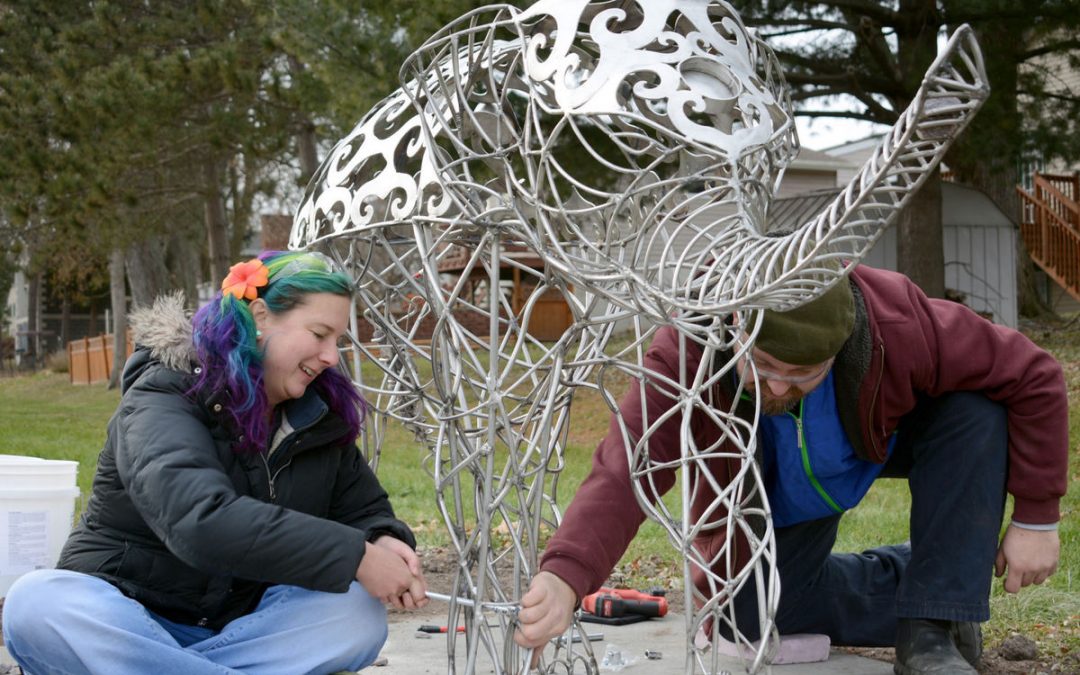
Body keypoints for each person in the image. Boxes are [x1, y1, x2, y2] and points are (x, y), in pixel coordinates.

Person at [513, 264, 1067, 674]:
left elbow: (1033, 373)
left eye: (803, 372)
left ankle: (932, 632)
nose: (779, 387)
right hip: (767, 498)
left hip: (872, 442)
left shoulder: (894, 321)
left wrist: (1037, 517)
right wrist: (566, 576)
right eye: (764, 365)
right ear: (736, 328)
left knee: (975, 411)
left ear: (840, 346)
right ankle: (921, 580)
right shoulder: (689, 349)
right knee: (756, 622)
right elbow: (628, 466)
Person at [2, 251, 428, 675]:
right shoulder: (164, 394)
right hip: (129, 615)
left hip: (240, 629)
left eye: (338, 341)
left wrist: (383, 538)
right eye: (320, 334)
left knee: (356, 614)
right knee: (37, 605)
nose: (332, 357)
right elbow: (198, 520)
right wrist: (355, 555)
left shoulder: (316, 418)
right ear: (260, 315)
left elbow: (361, 509)